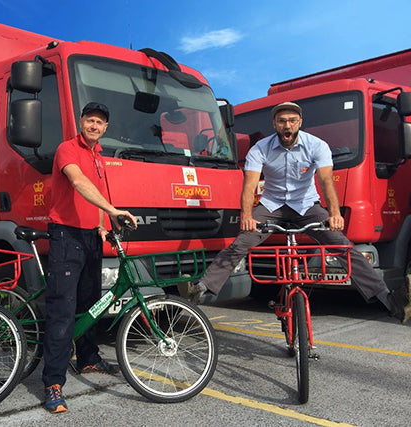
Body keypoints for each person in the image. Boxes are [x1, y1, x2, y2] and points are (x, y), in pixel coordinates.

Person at [187, 101, 410, 323]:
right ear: (274, 124)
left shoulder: (317, 145)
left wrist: (334, 213)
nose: (287, 126)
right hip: (272, 206)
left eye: (292, 121)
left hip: (307, 206)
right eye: (282, 121)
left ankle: (388, 300)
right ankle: (202, 288)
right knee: (241, 242)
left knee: (342, 246)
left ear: (300, 123)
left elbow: (325, 180)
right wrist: (247, 217)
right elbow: (249, 185)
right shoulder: (260, 148)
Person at [42, 102, 138, 413]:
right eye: (90, 120)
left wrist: (101, 225)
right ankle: (53, 382)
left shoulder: (98, 156)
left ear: (106, 128)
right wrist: (113, 211)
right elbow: (78, 183)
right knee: (63, 310)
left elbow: (95, 193)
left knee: (89, 303)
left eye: (100, 122)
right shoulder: (67, 149)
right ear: (81, 121)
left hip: (88, 237)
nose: (94, 126)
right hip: (65, 235)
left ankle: (87, 359)